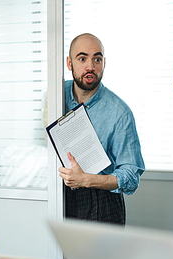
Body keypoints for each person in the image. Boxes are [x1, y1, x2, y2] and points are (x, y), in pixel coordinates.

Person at [58, 33, 145, 225]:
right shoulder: (56, 96)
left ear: (104, 63)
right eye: (82, 59)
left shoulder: (120, 112)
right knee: (54, 255)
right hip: (58, 196)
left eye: (97, 59)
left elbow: (131, 176)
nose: (90, 67)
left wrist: (87, 180)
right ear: (69, 63)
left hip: (102, 202)